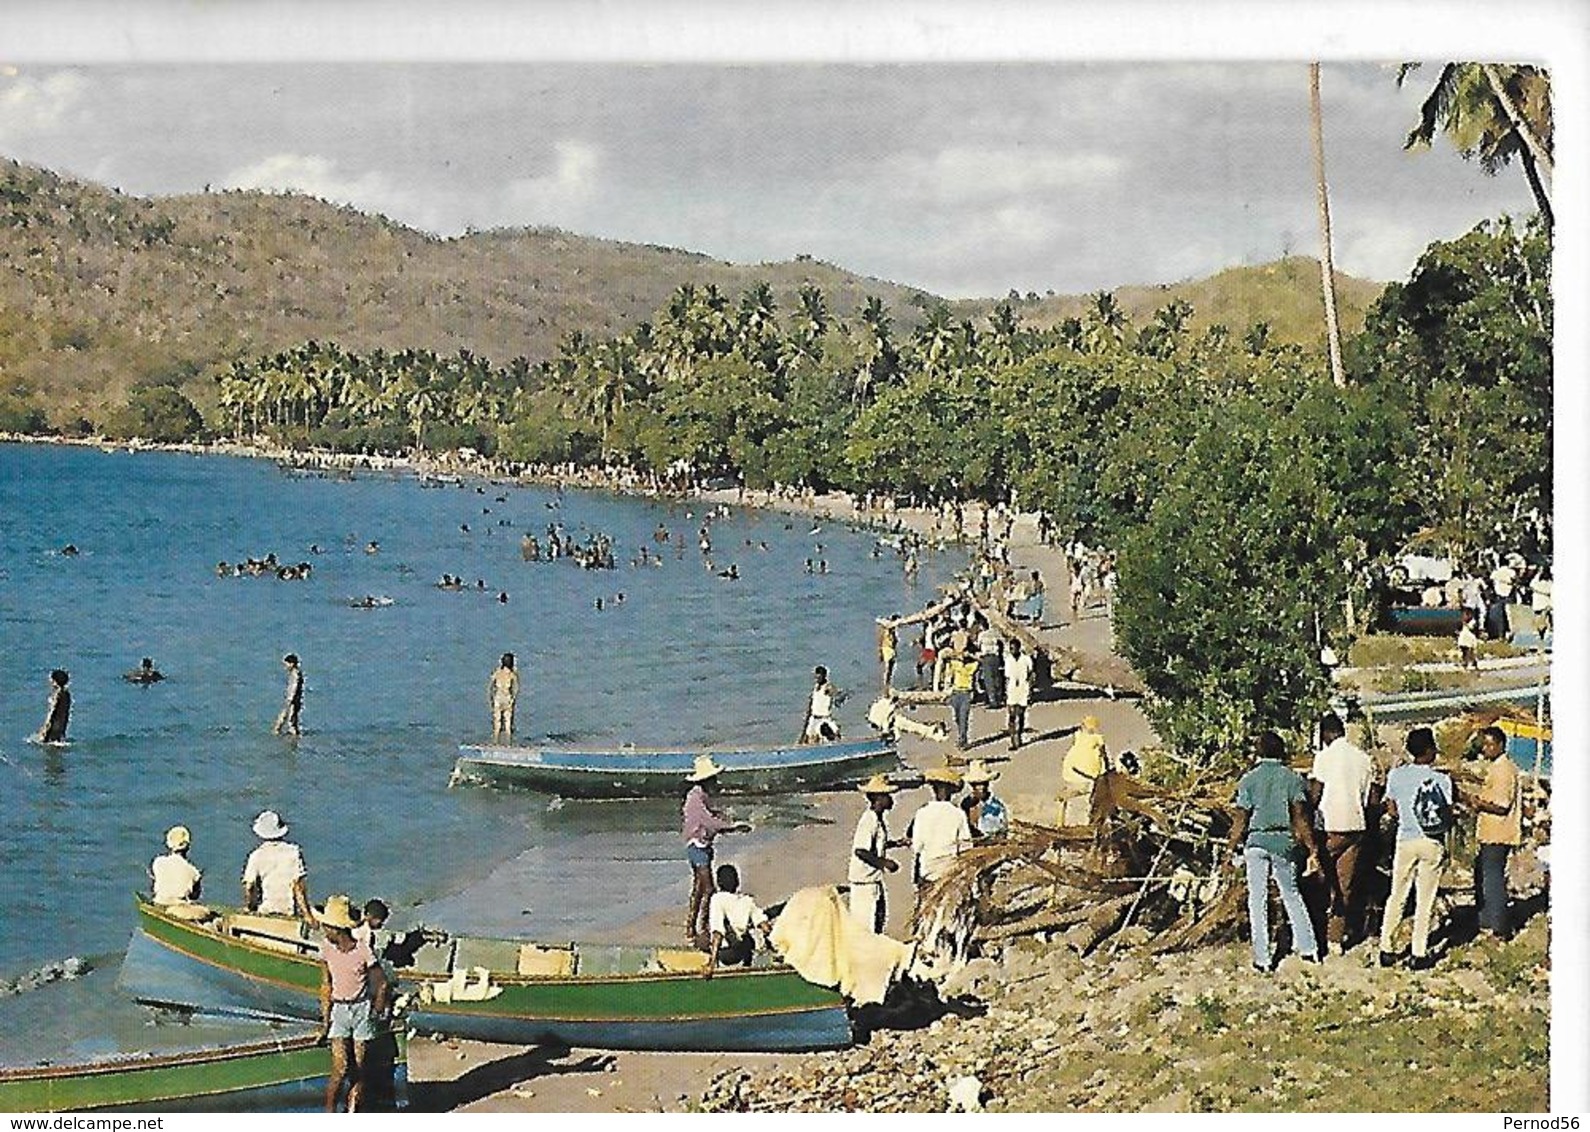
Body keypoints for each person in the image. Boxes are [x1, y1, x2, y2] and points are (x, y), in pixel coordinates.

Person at [1229, 731, 1322, 972]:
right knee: (1291, 894)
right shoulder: (1291, 778)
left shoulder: (1248, 780)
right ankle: (1308, 949)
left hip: (1256, 841)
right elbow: (1300, 818)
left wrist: (1230, 847)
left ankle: (1263, 958)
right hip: (1283, 841)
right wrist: (1312, 848)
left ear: (1259, 752)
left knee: (1257, 900)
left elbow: (1241, 818)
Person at [1378, 727, 1453, 970]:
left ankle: (1386, 948)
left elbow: (1391, 808)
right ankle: (1418, 951)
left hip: (1405, 840)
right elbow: (1447, 814)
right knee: (1425, 898)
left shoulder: (1396, 776)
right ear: (1430, 751)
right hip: (1431, 841)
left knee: (1397, 894)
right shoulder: (1442, 780)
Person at [1308, 712, 1377, 955]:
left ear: (1325, 734)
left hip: (1329, 826)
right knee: (1345, 883)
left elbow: (1315, 792)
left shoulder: (1324, 758)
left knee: (1322, 881)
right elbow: (1370, 798)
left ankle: (1315, 932)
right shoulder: (1363, 758)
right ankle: (1336, 938)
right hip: (1356, 826)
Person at [316, 894, 392, 1113]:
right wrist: (325, 1022)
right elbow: (326, 987)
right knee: (344, 1069)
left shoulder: (362, 950)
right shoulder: (327, 950)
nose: (324, 931)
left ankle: (351, 1113)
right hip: (340, 1011)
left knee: (357, 1069)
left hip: (360, 1010)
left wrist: (376, 1010)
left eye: (327, 927)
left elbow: (381, 983)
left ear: (337, 928)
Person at [681, 757, 749, 944]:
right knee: (709, 889)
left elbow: (711, 816)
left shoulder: (700, 796)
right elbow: (708, 821)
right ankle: (703, 928)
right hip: (697, 846)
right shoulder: (695, 798)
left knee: (698, 888)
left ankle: (690, 927)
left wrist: (724, 818)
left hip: (700, 845)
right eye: (714, 780)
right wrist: (732, 827)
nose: (716, 783)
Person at [1473, 724, 1522, 939]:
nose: (1485, 749)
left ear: (1500, 745)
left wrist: (1478, 803)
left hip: (1498, 833)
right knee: (1485, 876)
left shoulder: (1503, 770)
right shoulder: (1497, 767)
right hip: (1490, 832)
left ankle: (1499, 927)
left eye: (1490, 745)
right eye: (1484, 745)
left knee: (1492, 880)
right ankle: (1487, 921)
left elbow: (1502, 805)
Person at [848, 774, 905, 933]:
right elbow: (861, 851)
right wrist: (884, 863)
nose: (891, 800)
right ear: (878, 798)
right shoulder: (869, 820)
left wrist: (895, 843)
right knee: (867, 927)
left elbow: (874, 846)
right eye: (887, 796)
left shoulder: (878, 820)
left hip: (873, 881)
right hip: (864, 883)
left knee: (878, 920)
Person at [908, 767, 972, 889]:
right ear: (952, 791)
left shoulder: (922, 813)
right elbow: (965, 847)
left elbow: (917, 847)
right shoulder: (958, 814)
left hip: (928, 873)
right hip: (950, 874)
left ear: (934, 789)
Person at [242, 809, 312, 920]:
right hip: (289, 912)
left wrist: (250, 907)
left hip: (266, 912)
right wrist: (308, 915)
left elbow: (250, 886)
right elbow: (298, 886)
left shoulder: (256, 856)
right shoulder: (294, 852)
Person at [704, 864, 770, 974]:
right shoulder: (747, 900)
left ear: (719, 883)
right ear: (737, 882)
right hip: (746, 954)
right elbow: (765, 927)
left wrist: (711, 963)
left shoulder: (717, 899)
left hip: (727, 956)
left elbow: (717, 932)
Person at [1059, 716, 1110, 825]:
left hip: (1071, 770)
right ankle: (1087, 822)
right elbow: (1104, 754)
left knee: (1068, 795)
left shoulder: (1078, 735)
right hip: (1089, 775)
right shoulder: (1098, 738)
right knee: (1091, 797)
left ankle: (1061, 820)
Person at [150, 824, 202, 906]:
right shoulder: (194, 872)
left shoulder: (158, 862)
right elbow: (195, 896)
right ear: (188, 847)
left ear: (168, 844)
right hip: (180, 907)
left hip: (159, 902)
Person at [960, 761, 1008, 840]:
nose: (980, 787)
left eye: (983, 783)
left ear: (988, 784)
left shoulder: (996, 807)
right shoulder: (966, 804)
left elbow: (1000, 835)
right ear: (972, 786)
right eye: (976, 784)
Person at [943, 649, 979, 750]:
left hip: (966, 693)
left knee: (964, 717)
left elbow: (981, 660)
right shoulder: (956, 664)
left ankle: (963, 739)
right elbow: (946, 656)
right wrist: (957, 654)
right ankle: (961, 735)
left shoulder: (972, 666)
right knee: (957, 718)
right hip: (955, 692)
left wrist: (971, 655)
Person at [1003, 639, 1034, 751]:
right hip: (1012, 689)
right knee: (1011, 715)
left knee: (1020, 715)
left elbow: (1031, 675)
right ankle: (1013, 740)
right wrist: (1005, 692)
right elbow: (1007, 677)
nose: (1011, 650)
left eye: (1013, 648)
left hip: (1023, 688)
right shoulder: (1008, 660)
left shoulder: (1026, 659)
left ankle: (1019, 735)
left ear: (1018, 648)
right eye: (1010, 648)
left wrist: (1030, 690)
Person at [803, 665, 843, 743]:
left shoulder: (827, 687)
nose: (817, 679)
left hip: (823, 719)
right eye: (816, 677)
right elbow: (812, 704)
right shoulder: (816, 687)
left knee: (829, 737)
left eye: (819, 677)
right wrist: (807, 717)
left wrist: (837, 696)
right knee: (809, 739)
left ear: (824, 676)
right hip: (814, 718)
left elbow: (835, 692)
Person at [33, 669, 71, 743]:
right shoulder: (66, 694)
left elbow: (53, 712)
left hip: (54, 725)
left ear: (55, 681)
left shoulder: (57, 695)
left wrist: (45, 728)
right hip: (61, 725)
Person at [489, 653, 520, 743]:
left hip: (498, 698)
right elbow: (516, 688)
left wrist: (490, 699)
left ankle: (495, 742)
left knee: (497, 723)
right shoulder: (512, 674)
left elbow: (490, 687)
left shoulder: (497, 672)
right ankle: (509, 743)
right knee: (508, 724)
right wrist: (513, 699)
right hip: (507, 698)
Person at [975, 619, 1004, 709]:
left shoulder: (982, 635)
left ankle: (993, 701)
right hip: (996, 657)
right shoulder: (995, 633)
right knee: (996, 678)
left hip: (986, 657)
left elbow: (978, 645)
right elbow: (1001, 643)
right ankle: (999, 698)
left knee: (989, 680)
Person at [272, 654, 304, 737]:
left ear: (291, 664)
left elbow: (294, 687)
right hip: (292, 700)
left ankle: (294, 737)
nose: (285, 667)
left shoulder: (295, 674)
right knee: (286, 718)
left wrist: (290, 699)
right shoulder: (294, 673)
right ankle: (278, 733)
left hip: (293, 701)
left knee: (291, 721)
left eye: (286, 664)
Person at [877, 617, 899, 691]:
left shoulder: (893, 630)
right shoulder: (885, 630)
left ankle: (888, 684)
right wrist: (880, 652)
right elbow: (880, 641)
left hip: (891, 649)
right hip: (886, 649)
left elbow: (894, 641)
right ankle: (886, 686)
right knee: (888, 668)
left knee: (891, 668)